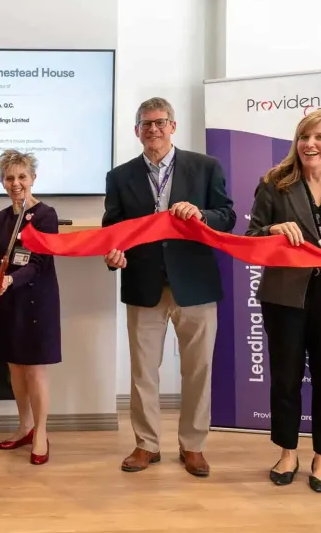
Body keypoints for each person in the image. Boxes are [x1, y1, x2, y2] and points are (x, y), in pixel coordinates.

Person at [102, 97, 235, 477]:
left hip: (195, 283)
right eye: (146, 124)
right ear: (137, 131)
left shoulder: (205, 167)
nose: (154, 130)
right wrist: (112, 254)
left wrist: (201, 215)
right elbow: (114, 229)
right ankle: (146, 445)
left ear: (173, 126)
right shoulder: (120, 176)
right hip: (143, 284)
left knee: (198, 369)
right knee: (143, 371)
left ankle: (193, 446)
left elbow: (226, 217)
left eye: (160, 123)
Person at [246, 109, 321, 493]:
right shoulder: (274, 183)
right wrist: (272, 229)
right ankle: (287, 452)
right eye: (305, 136)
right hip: (285, 295)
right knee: (285, 377)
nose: (310, 144)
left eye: (320, 136)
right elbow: (252, 237)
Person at [0, 149, 60, 465]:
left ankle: (41, 432)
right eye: (10, 177)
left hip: (37, 303)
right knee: (15, 367)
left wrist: (10, 279)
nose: (16, 183)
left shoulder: (45, 215)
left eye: (22, 177)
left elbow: (39, 261)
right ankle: (24, 425)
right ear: (2, 182)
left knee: (35, 370)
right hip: (7, 304)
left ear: (33, 179)